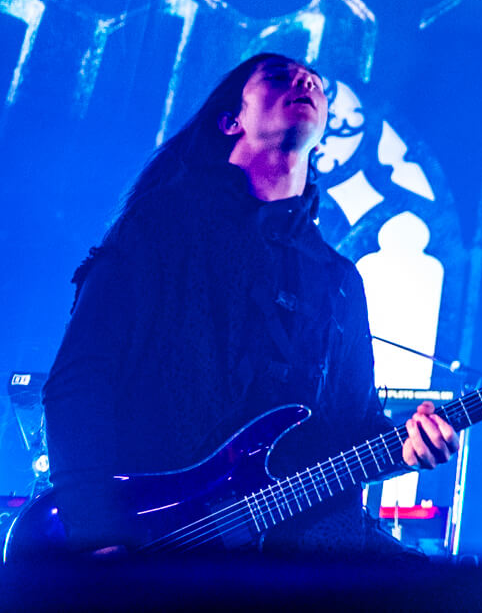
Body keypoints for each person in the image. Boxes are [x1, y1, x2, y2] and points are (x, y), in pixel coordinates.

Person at [42, 53, 457, 553]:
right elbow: (80, 381)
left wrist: (409, 444)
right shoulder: (162, 229)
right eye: (279, 77)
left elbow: (354, 425)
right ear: (230, 120)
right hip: (162, 544)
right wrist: (96, 532)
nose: (304, 80)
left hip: (308, 546)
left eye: (315, 84)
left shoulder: (339, 280)